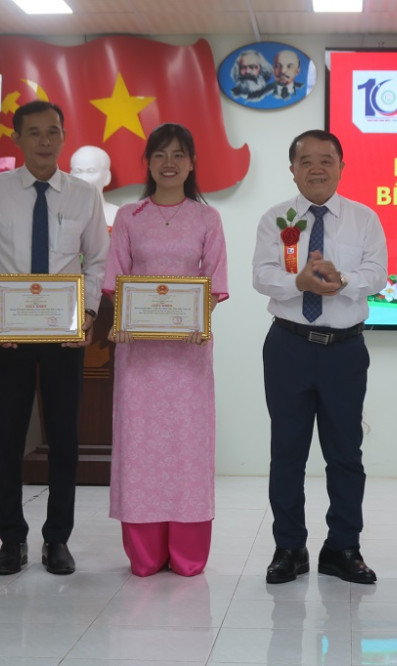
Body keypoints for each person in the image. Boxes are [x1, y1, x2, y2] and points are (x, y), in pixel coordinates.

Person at [0, 100, 109, 576]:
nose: (45, 141)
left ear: (63, 136)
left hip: (64, 336)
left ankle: (57, 539)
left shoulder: (83, 196)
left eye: (53, 131)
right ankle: (11, 539)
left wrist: (88, 311)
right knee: (9, 438)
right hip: (11, 336)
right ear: (18, 139)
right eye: (34, 132)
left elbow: (97, 259)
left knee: (64, 439)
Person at [253, 129, 388, 585]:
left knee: (346, 453)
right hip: (288, 346)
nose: (316, 168)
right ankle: (289, 548)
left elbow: (377, 274)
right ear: (292, 169)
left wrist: (342, 279)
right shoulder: (276, 218)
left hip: (344, 351)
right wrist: (299, 283)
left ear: (341, 167)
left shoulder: (364, 219)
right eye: (306, 161)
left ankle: (343, 548)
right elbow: (261, 275)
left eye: (326, 160)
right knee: (287, 452)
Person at [103, 123, 228, 577]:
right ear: (148, 163)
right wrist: (122, 322)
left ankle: (188, 550)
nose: (169, 163)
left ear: (192, 163)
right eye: (160, 155)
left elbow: (214, 280)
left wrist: (200, 318)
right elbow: (116, 278)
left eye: (178, 155)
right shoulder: (129, 217)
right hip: (139, 356)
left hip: (188, 356)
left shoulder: (207, 219)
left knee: (186, 449)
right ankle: (146, 550)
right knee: (139, 449)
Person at [69, 145, 120, 227]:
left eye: (91, 171)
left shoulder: (119, 215)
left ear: (107, 177)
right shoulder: (59, 214)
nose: (83, 179)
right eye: (78, 172)